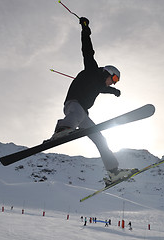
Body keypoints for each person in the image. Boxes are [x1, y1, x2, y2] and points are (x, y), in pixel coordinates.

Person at [51, 17, 137, 183]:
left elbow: (103, 89)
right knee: (75, 113)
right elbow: (87, 50)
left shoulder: (100, 85)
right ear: (106, 72)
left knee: (100, 138)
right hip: (73, 104)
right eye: (113, 78)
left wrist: (114, 91)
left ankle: (113, 172)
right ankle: (61, 129)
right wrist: (85, 29)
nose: (113, 82)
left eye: (116, 81)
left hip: (83, 114)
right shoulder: (92, 70)